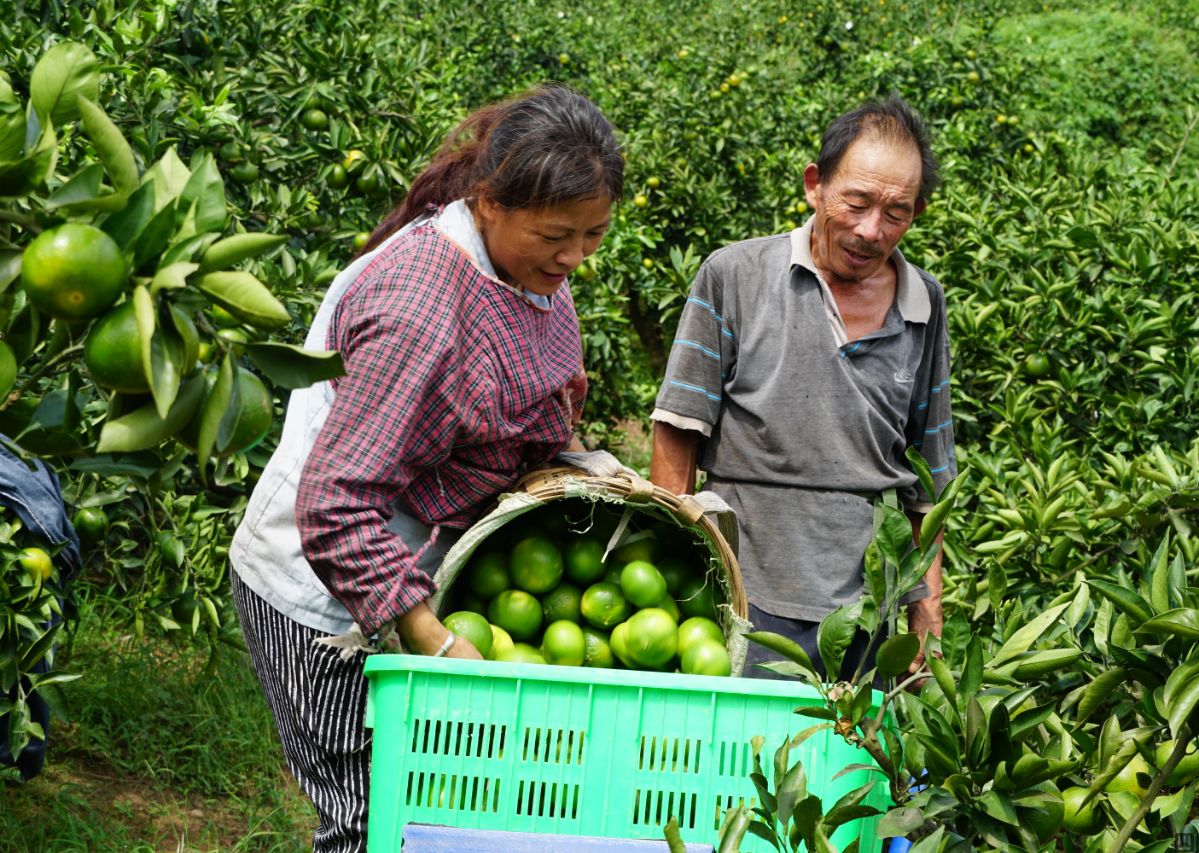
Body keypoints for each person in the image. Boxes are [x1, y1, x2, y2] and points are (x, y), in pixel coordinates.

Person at [229, 85, 624, 852]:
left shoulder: (525, 267)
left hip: (425, 565)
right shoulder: (419, 310)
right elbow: (337, 505)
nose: (576, 256)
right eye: (557, 235)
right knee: (370, 819)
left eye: (594, 233)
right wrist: (434, 641)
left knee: (435, 813)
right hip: (327, 598)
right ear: (489, 203)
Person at [649, 95, 955, 682]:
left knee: (846, 765)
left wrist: (926, 610)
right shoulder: (734, 275)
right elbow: (678, 427)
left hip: (867, 608)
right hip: (742, 593)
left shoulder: (925, 303)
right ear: (816, 185)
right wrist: (678, 578)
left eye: (896, 213)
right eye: (857, 203)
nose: (872, 230)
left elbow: (930, 474)